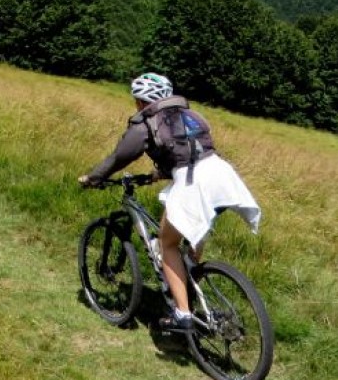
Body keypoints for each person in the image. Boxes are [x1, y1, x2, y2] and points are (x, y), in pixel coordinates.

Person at [78, 72, 262, 332]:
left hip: (193, 184)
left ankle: (182, 314)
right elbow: (190, 152)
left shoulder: (146, 122)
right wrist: (160, 173)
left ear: (141, 102)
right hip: (221, 177)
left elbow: (120, 157)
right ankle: (190, 277)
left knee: (168, 244)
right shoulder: (190, 115)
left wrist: (93, 177)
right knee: (190, 233)